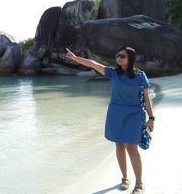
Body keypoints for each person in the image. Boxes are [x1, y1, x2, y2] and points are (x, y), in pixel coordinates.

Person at [66, 46, 154, 194]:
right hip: (116, 113)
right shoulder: (113, 73)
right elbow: (93, 64)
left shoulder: (140, 76)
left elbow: (146, 99)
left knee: (132, 148)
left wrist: (151, 118)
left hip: (134, 114)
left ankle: (139, 184)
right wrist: (75, 58)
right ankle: (125, 178)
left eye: (122, 56)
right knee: (119, 145)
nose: (118, 58)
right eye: (117, 55)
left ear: (130, 59)